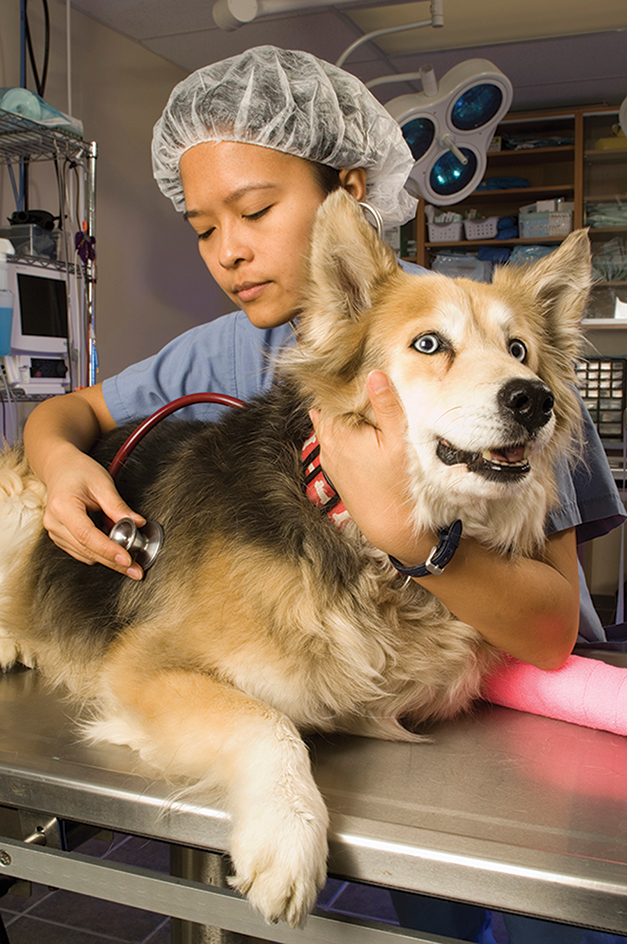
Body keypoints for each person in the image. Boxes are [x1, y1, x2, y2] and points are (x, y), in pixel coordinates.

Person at [21, 46, 626, 943]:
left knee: (537, 912)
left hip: (508, 721)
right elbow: (69, 413)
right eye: (202, 226)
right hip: (352, 693)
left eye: (256, 210)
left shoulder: (508, 384)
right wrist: (55, 458)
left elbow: (545, 630)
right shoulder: (223, 351)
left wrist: (401, 534)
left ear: (348, 195)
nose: (229, 248)